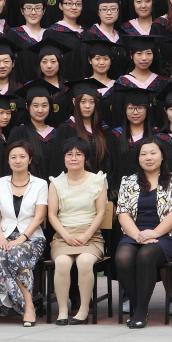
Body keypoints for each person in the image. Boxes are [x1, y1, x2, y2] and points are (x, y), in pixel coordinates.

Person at [114, 139, 172, 329]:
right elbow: (122, 212)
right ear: (138, 158)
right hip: (134, 232)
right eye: (143, 154)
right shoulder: (128, 180)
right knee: (123, 257)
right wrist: (138, 235)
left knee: (146, 255)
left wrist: (154, 233)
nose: (148, 157)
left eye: (153, 153)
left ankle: (139, 312)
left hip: (165, 234)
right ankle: (140, 306)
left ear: (162, 156)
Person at [0, 142, 48, 327]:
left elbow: (39, 217)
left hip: (32, 238)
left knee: (15, 254)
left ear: (29, 159)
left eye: (22, 156)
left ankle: (28, 305)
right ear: (8, 161)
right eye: (13, 157)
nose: (18, 160)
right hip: (3, 236)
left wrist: (21, 239)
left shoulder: (40, 184)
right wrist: (1, 238)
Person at [47, 138, 108, 326]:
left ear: (85, 157)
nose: (73, 158)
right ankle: (63, 310)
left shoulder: (98, 180)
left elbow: (101, 212)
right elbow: (52, 214)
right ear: (64, 158)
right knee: (62, 262)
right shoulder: (56, 183)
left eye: (78, 154)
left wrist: (86, 235)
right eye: (69, 154)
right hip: (63, 236)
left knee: (84, 261)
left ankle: (83, 309)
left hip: (91, 235)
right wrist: (65, 235)